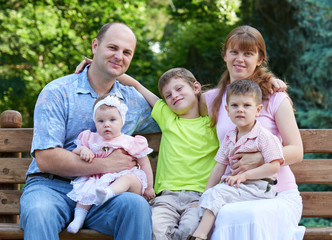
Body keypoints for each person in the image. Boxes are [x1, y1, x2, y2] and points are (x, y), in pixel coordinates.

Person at [19, 22, 160, 240]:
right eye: (112, 48)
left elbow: (178, 114)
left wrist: (136, 85)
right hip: (51, 186)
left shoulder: (132, 101)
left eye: (126, 52)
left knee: (136, 205)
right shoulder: (58, 91)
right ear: (95, 46)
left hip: (104, 193)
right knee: (39, 212)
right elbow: (46, 158)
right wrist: (107, 164)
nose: (119, 56)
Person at [200, 25, 305, 240]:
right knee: (229, 214)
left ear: (259, 59)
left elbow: (297, 150)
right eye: (234, 52)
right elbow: (173, 111)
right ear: (225, 56)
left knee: (249, 215)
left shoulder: (275, 97)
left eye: (248, 53)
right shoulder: (211, 100)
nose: (240, 59)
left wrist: (261, 158)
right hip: (233, 193)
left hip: (276, 193)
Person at [117, 67, 219, 240]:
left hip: (199, 197)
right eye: (168, 95)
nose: (174, 96)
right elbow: (137, 85)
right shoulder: (168, 118)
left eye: (179, 89)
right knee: (156, 228)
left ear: (196, 88)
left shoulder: (213, 122)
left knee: (191, 230)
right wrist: (99, 66)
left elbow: (232, 93)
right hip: (167, 197)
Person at [188, 79, 284, 240]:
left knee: (218, 194)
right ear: (227, 109)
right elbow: (219, 168)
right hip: (240, 187)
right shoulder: (230, 137)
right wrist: (205, 194)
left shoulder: (264, 137)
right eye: (235, 105)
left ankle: (199, 236)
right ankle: (201, 232)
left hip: (261, 187)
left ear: (258, 110)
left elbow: (274, 167)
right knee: (211, 195)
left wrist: (245, 175)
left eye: (247, 105)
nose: (240, 110)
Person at [66, 94, 155, 234]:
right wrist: (82, 150)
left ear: (122, 121)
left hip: (127, 183)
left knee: (128, 178)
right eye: (101, 121)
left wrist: (149, 187)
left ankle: (109, 192)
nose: (106, 124)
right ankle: (79, 218)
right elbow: (74, 151)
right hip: (98, 180)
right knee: (87, 188)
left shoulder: (129, 141)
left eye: (112, 120)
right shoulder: (90, 138)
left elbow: (144, 163)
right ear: (95, 122)